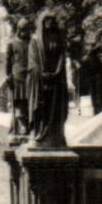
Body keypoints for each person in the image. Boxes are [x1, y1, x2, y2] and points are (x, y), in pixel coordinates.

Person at [27, 11, 70, 148]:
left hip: (56, 80)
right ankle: (40, 135)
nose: (50, 23)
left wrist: (57, 71)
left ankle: (56, 136)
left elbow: (62, 56)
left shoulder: (58, 38)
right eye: (47, 20)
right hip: (41, 81)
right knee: (41, 108)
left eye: (52, 20)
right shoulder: (35, 40)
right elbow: (32, 62)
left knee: (56, 109)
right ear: (42, 22)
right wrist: (41, 73)